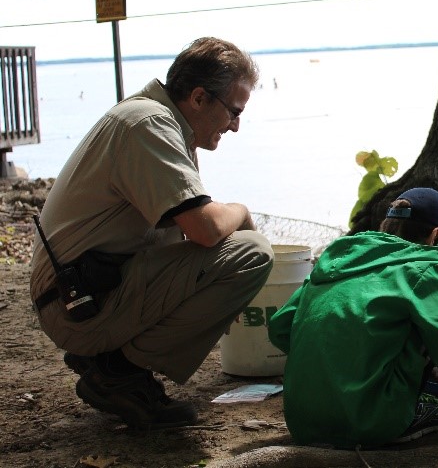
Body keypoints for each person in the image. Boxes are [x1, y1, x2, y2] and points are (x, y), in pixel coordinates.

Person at [29, 37, 274, 430]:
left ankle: (109, 357)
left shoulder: (160, 120)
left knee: (216, 248)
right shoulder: (150, 124)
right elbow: (206, 230)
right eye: (234, 111)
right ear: (198, 98)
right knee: (252, 253)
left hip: (83, 291)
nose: (236, 126)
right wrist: (242, 212)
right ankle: (116, 371)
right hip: (77, 305)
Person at [267, 188, 438, 449]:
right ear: (436, 235)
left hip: (303, 422)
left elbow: (280, 328)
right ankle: (407, 412)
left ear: (386, 225)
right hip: (372, 423)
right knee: (423, 327)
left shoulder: (336, 261)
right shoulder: (427, 267)